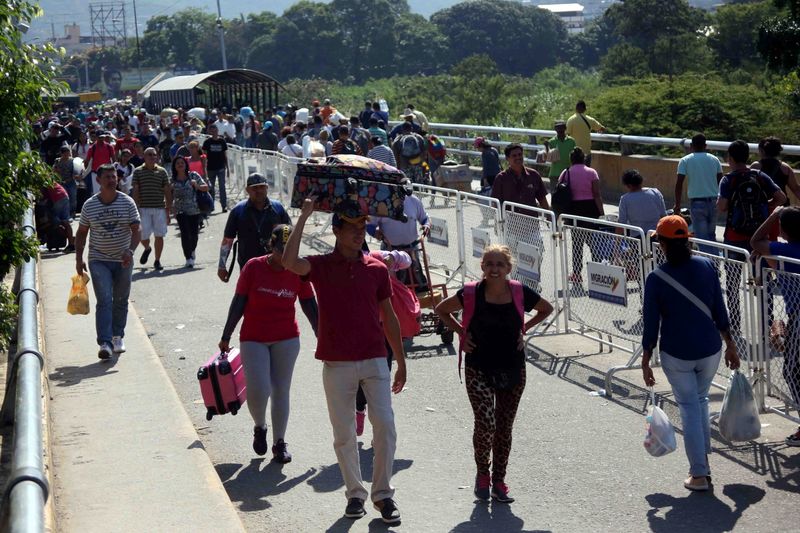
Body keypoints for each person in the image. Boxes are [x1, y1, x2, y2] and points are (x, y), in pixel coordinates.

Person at [282, 200, 406, 525]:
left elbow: (390, 318)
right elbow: (289, 261)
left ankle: (383, 495)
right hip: (336, 362)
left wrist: (402, 362)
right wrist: (305, 216)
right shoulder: (321, 265)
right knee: (344, 434)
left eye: (361, 227)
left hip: (375, 359)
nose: (357, 233)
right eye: (350, 227)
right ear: (336, 230)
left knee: (386, 427)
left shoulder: (377, 268)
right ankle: (355, 494)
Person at [435, 245, 553, 503]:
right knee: (486, 422)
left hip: (513, 367)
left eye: (500, 264)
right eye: (489, 264)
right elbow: (441, 309)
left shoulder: (520, 292)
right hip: (478, 367)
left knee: (504, 427)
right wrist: (461, 334)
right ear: (483, 268)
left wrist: (525, 329)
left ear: (509, 268)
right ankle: (482, 475)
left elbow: (547, 309)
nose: (494, 269)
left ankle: (499, 481)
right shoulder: (471, 293)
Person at [642, 215, 740, 490]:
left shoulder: (656, 278)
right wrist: (730, 344)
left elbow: (651, 323)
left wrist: (646, 359)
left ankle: (699, 474)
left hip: (677, 353)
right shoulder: (706, 265)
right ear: (687, 238)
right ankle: (703, 455)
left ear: (661, 243)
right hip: (710, 349)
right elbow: (720, 309)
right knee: (700, 399)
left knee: (689, 406)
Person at [219, 224, 319, 461]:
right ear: (271, 246)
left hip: (287, 338)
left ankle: (280, 443)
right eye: (281, 251)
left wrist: (321, 334)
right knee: (259, 389)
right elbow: (239, 301)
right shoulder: (254, 267)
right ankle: (260, 426)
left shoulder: (299, 269)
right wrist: (226, 335)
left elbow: (309, 304)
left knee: (281, 390)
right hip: (254, 338)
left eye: (289, 251)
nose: (285, 257)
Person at [74, 164, 141, 359]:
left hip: (123, 260)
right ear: (98, 181)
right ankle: (104, 342)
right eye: (108, 177)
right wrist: (78, 259)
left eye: (114, 177)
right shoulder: (90, 205)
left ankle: (117, 336)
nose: (112, 180)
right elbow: (82, 233)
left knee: (120, 299)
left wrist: (130, 250)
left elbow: (137, 230)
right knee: (104, 300)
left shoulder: (127, 203)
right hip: (98, 259)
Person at [718, 140, 786, 330]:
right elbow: (782, 198)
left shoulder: (728, 180)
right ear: (748, 157)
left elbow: (722, 207)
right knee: (763, 281)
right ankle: (768, 323)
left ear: (730, 158)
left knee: (732, 281)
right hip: (759, 239)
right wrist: (765, 206)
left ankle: (735, 323)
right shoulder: (760, 176)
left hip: (734, 237)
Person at [750, 206, 800, 446]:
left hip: (799, 316)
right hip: (796, 317)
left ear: (782, 229)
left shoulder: (783, 251)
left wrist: (772, 215)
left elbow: (756, 240)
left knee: (790, 371)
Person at [218, 173, 291, 282]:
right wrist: (222, 266)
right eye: (254, 188)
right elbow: (228, 240)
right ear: (247, 190)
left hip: (275, 264)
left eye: (261, 187)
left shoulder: (278, 208)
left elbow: (290, 234)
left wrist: (290, 259)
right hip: (248, 266)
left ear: (267, 187)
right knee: (248, 298)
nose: (259, 191)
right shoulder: (238, 211)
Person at [557, 147, 604, 283]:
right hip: (590, 209)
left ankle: (577, 274)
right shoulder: (592, 172)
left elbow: (561, 191)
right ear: (584, 158)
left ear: (571, 159)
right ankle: (598, 270)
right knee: (594, 242)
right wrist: (601, 213)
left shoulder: (566, 173)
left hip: (573, 210)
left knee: (577, 243)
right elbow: (596, 194)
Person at [369, 193, 431, 291]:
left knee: (419, 284)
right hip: (390, 251)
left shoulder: (413, 200)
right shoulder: (380, 201)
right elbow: (369, 224)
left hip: (412, 249)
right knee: (394, 287)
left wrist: (426, 225)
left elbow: (425, 218)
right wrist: (375, 232)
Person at [674, 134, 723, 249]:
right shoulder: (714, 159)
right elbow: (721, 182)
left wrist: (677, 205)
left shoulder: (685, 160)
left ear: (691, 146)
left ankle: (708, 264)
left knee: (702, 238)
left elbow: (679, 184)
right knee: (711, 236)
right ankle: (714, 262)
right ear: (706, 146)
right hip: (714, 202)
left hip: (697, 204)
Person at [131, 147, 172, 271]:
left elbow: (167, 190)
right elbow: (136, 190)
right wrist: (135, 208)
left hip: (159, 208)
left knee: (159, 235)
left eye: (154, 155)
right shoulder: (138, 171)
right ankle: (147, 248)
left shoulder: (162, 171)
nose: (152, 157)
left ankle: (157, 260)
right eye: (149, 154)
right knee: (142, 236)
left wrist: (168, 209)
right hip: (143, 208)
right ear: (144, 156)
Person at [170, 156, 208, 268]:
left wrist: (196, 185)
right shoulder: (172, 179)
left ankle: (192, 250)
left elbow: (206, 187)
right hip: (180, 210)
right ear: (175, 167)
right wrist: (170, 208)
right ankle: (188, 258)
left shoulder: (194, 175)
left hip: (194, 209)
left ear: (186, 164)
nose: (180, 165)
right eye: (178, 163)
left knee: (194, 234)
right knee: (185, 233)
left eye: (182, 163)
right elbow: (168, 195)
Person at [491, 143, 549, 212]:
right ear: (507, 158)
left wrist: (550, 218)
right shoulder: (501, 178)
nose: (518, 157)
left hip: (531, 220)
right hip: (510, 220)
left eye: (520, 154)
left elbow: (542, 199)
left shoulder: (534, 175)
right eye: (514, 156)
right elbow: (495, 203)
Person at [617, 169, 667, 235]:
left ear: (628, 185)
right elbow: (664, 216)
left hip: (637, 239)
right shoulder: (656, 192)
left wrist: (616, 244)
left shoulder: (625, 199)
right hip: (656, 236)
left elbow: (621, 223)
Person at [565, 100, 605, 167]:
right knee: (586, 170)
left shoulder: (571, 120)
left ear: (576, 108)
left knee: (574, 172)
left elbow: (567, 134)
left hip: (574, 152)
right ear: (585, 109)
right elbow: (602, 128)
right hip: (586, 151)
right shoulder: (590, 119)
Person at [202, 123, 229, 212]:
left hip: (221, 167)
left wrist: (227, 167)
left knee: (222, 187)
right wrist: (204, 168)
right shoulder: (207, 142)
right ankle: (211, 205)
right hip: (210, 168)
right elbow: (204, 156)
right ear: (210, 131)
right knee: (211, 188)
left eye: (215, 130)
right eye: (212, 131)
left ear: (217, 131)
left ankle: (224, 206)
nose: (214, 132)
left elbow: (225, 155)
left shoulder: (222, 141)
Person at [41, 182, 76, 252]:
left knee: (56, 222)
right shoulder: (49, 178)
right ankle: (71, 243)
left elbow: (43, 196)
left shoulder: (42, 180)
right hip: (64, 196)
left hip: (57, 198)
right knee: (65, 222)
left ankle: (71, 240)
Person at [546, 120, 576, 191]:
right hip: (555, 173)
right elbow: (548, 158)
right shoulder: (551, 142)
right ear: (555, 129)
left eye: (561, 127)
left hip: (568, 173)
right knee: (555, 196)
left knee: (567, 195)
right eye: (557, 128)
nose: (560, 130)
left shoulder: (572, 141)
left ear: (565, 128)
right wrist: (546, 147)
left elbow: (574, 157)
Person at [53, 145, 79, 217]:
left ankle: (72, 213)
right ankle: (66, 214)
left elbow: (77, 170)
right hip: (62, 182)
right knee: (65, 198)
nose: (67, 155)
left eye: (68, 153)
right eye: (65, 153)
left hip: (71, 181)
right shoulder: (57, 161)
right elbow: (53, 171)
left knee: (73, 198)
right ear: (61, 154)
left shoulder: (72, 161)